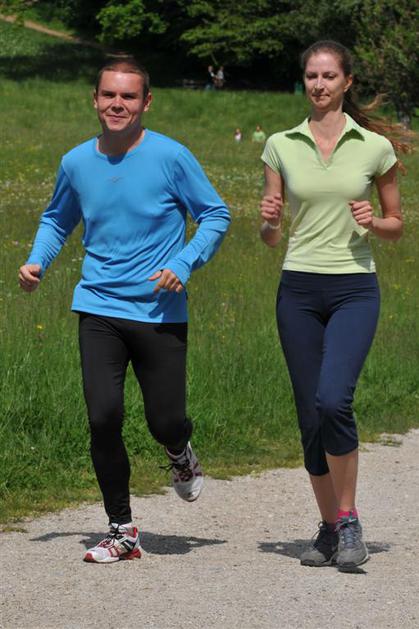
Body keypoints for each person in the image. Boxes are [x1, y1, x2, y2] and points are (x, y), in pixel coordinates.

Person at [19, 57, 230, 563]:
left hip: (160, 311)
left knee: (166, 420)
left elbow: (215, 214)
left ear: (146, 102)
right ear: (95, 99)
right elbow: (57, 219)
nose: (118, 104)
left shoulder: (171, 156)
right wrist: (37, 259)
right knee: (103, 416)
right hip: (98, 306)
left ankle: (179, 451)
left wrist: (184, 262)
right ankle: (121, 529)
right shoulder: (76, 162)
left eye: (128, 96)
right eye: (109, 95)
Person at [259, 40, 410, 572]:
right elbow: (271, 236)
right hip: (298, 290)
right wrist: (270, 221)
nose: (318, 85)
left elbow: (396, 226)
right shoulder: (280, 144)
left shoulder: (375, 147)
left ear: (348, 82)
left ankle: (349, 521)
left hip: (353, 289)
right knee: (309, 415)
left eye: (328, 76)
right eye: (311, 76)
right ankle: (329, 529)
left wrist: (374, 221)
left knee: (332, 400)